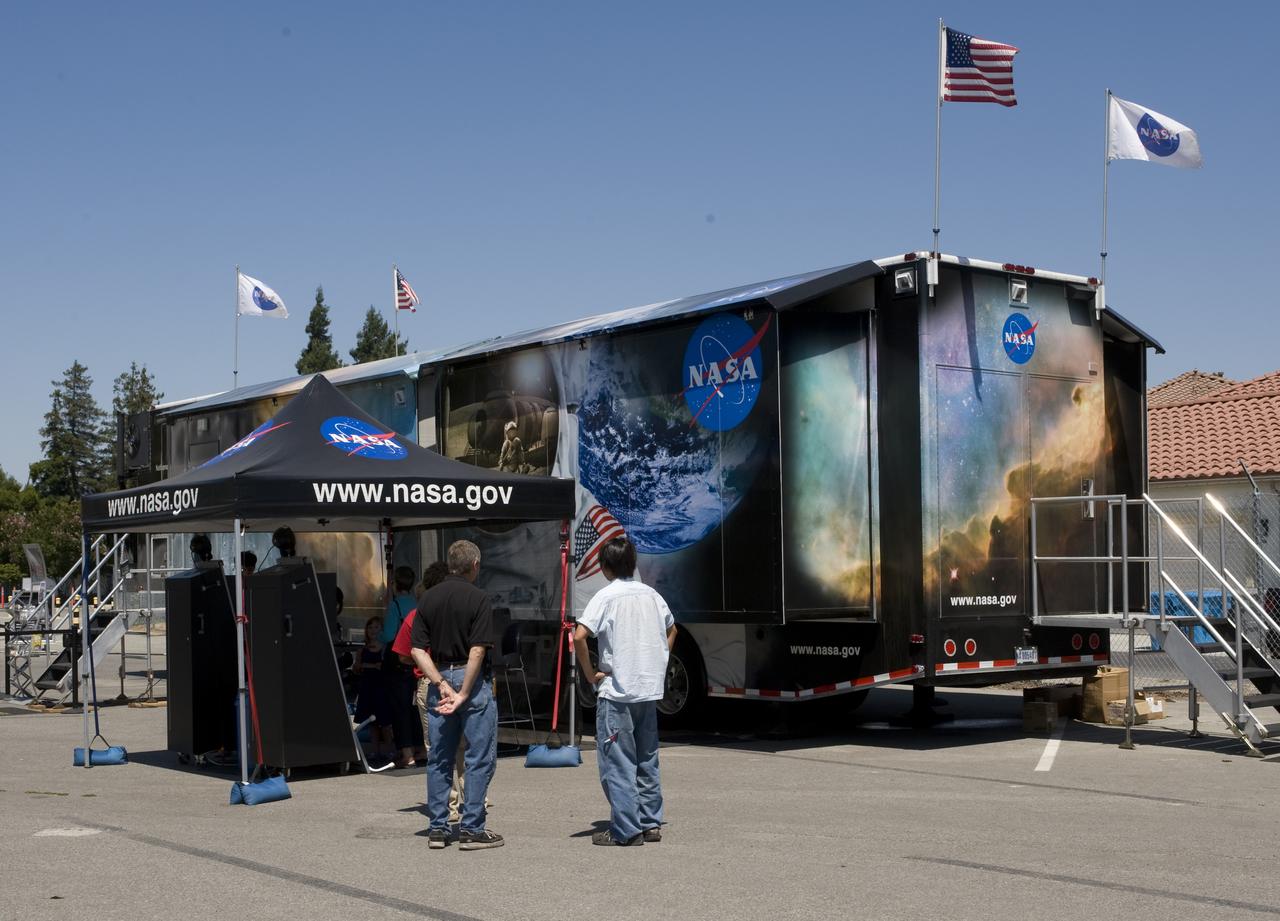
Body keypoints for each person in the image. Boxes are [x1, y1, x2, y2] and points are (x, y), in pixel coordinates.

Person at [573, 536, 676, 846]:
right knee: (647, 758)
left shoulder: (606, 597)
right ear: (633, 564)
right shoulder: (652, 595)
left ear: (605, 568)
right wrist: (659, 658)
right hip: (647, 690)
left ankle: (626, 829)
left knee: (617, 762)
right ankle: (650, 822)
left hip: (616, 692)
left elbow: (579, 636)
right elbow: (672, 629)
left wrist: (591, 674)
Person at [410, 540, 502, 850]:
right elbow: (478, 648)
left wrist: (439, 682)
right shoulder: (479, 598)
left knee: (440, 757)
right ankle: (472, 828)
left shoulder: (428, 598)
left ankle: (438, 828)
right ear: (474, 565)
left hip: (440, 679)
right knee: (478, 756)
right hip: (470, 681)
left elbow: (416, 649)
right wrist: (463, 691)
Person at [393, 561, 467, 822]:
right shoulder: (463, 608)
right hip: (462, 678)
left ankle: (449, 805)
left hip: (429, 682)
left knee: (437, 747)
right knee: (463, 744)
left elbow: (403, 654)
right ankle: (472, 798)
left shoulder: (418, 614)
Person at [384, 566, 425, 768]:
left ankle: (406, 753)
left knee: (400, 708)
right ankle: (421, 748)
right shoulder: (417, 604)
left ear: (395, 584)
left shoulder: (395, 606)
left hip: (398, 660)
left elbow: (388, 635)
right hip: (417, 659)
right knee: (415, 706)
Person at [352, 616, 394, 760]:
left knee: (385, 722)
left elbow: (385, 667)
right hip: (367, 687)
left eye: (376, 627)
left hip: (381, 688)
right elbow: (356, 667)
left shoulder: (385, 648)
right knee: (372, 723)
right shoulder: (362, 649)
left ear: (381, 629)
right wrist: (369, 666)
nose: (373, 630)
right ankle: (375, 751)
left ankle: (389, 750)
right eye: (370, 627)